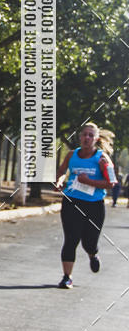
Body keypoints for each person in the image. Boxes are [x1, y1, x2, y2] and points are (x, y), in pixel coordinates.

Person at [54, 122, 117, 288]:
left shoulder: (102, 159)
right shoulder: (71, 155)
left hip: (94, 205)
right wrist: (59, 181)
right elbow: (61, 171)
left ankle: (92, 253)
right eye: (84, 134)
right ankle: (67, 277)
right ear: (80, 137)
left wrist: (88, 181)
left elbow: (111, 183)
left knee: (89, 242)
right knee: (71, 239)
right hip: (72, 202)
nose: (87, 138)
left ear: (96, 139)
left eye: (91, 135)